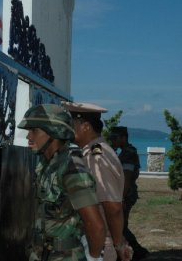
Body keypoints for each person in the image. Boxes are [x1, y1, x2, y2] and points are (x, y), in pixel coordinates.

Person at [17, 104, 105, 261]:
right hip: (41, 253)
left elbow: (95, 226)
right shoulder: (45, 164)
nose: (28, 137)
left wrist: (93, 257)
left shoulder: (72, 169)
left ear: (54, 132)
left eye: (34, 131)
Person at [62, 101, 132, 261]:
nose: (67, 129)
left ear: (85, 126)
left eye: (71, 124)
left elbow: (112, 207)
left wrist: (118, 243)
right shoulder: (94, 151)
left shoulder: (96, 157)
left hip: (98, 246)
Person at [109, 126, 150, 260]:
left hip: (126, 194)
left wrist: (121, 198)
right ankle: (136, 251)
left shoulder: (128, 153)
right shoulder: (123, 152)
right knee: (121, 225)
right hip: (124, 193)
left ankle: (136, 251)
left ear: (123, 138)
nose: (112, 141)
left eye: (115, 138)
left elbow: (127, 177)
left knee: (121, 226)